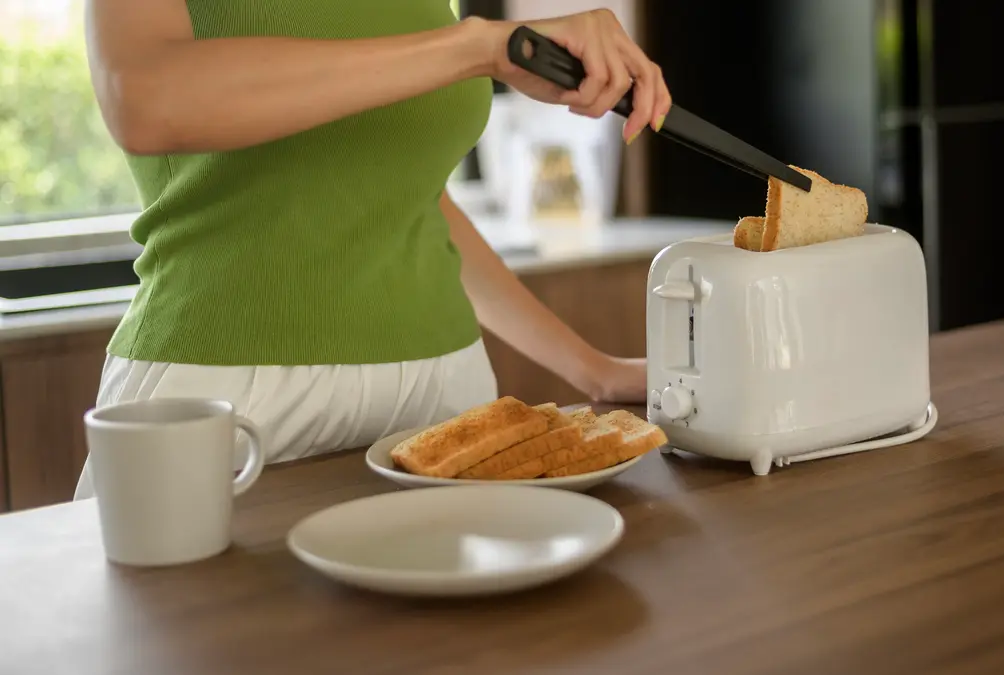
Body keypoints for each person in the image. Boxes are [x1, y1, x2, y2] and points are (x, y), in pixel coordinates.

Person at [73, 0, 672, 499]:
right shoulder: (473, 38)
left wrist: (593, 368)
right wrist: (479, 46)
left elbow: (409, 199)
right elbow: (143, 97)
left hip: (446, 397)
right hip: (226, 399)